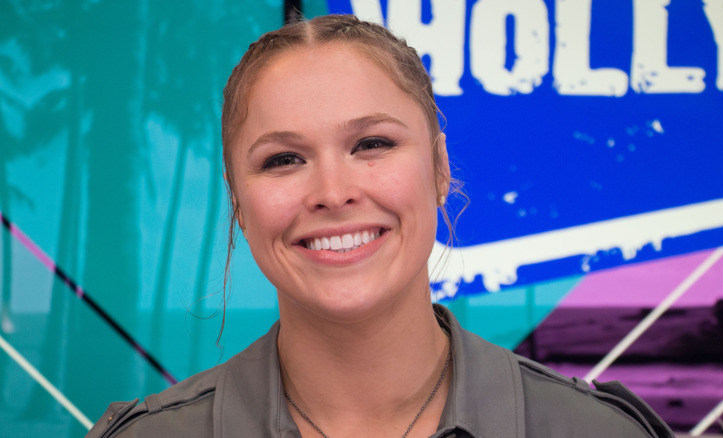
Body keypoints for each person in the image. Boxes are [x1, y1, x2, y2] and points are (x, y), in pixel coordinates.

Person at [87, 14, 674, 438]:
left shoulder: (596, 431)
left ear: (439, 168)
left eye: (371, 144)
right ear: (239, 202)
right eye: (283, 159)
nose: (333, 193)